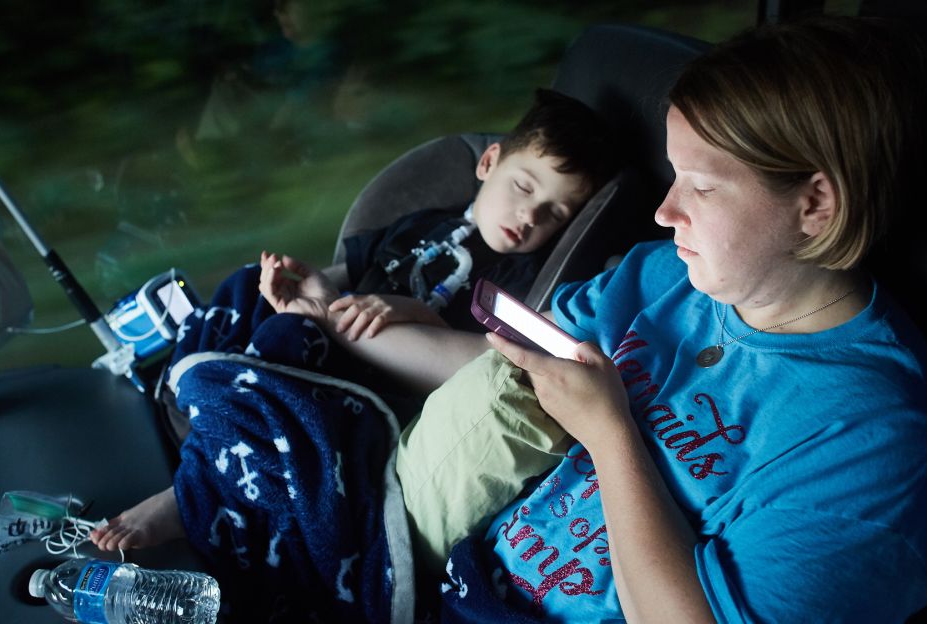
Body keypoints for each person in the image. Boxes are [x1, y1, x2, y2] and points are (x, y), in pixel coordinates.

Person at [429, 16, 927, 623]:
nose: (663, 211)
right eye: (673, 174)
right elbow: (502, 365)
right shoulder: (666, 275)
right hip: (470, 580)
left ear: (815, 204)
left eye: (701, 188)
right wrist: (357, 326)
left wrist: (609, 435)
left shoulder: (877, 441)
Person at [90, 87, 616, 551]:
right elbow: (353, 275)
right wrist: (302, 289)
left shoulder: (515, 279)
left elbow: (470, 358)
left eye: (554, 214)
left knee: (284, 347)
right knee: (249, 288)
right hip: (328, 336)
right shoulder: (423, 224)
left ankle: (188, 499)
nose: (528, 217)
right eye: (524, 188)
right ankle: (199, 391)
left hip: (375, 384)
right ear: (489, 163)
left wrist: (398, 312)